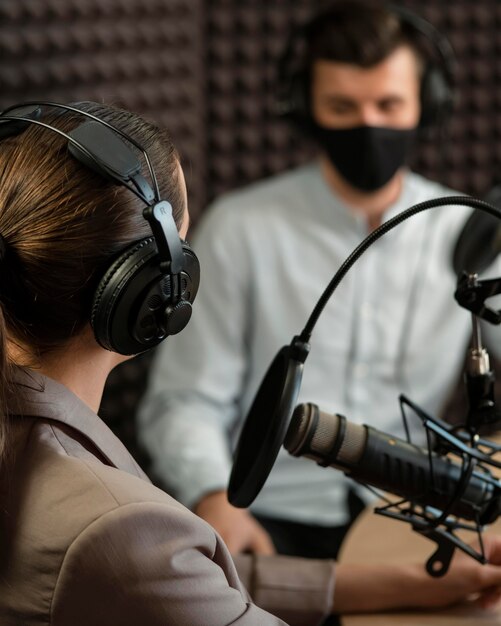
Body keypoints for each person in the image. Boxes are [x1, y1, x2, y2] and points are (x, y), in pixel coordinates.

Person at [3, 102, 501, 625]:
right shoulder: (113, 522)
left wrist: (399, 587)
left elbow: (178, 579)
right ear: (151, 295)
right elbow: (149, 563)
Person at [138, 0, 501, 563]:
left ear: (425, 106)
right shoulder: (242, 226)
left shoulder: (467, 231)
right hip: (265, 515)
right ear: (306, 109)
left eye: (389, 104)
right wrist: (215, 497)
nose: (369, 124)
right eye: (343, 106)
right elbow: (185, 400)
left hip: (410, 515)